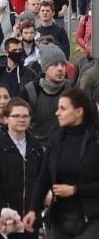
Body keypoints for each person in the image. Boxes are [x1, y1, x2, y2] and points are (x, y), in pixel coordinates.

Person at [0, 98, 46, 239]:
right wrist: (1, 209)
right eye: (16, 116)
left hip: (29, 219)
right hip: (2, 218)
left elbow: (42, 179)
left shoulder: (36, 147)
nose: (22, 119)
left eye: (25, 116)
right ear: (6, 119)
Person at [43, 88, 99, 238]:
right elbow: (43, 177)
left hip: (91, 216)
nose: (57, 113)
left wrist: (75, 190)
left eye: (62, 108)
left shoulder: (95, 140)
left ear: (79, 111)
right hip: (59, 216)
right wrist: (33, 210)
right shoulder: (55, 139)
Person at [21, 44, 72, 143]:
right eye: (55, 65)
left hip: (64, 145)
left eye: (63, 64)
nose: (60, 69)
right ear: (44, 68)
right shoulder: (30, 91)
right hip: (36, 147)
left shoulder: (71, 89)